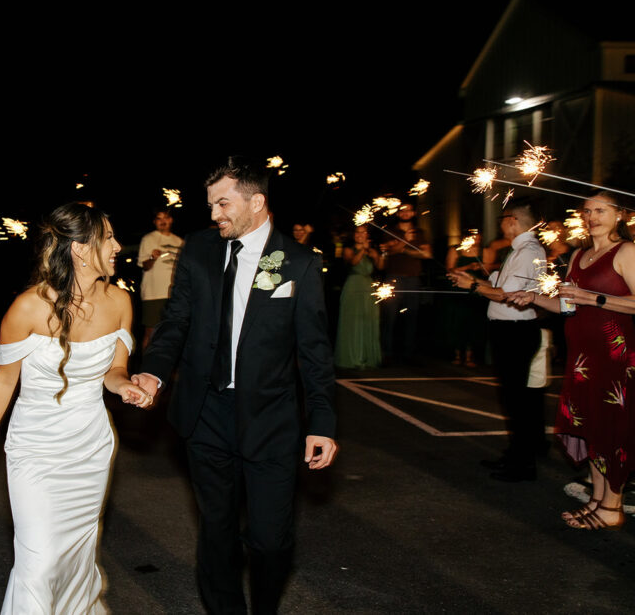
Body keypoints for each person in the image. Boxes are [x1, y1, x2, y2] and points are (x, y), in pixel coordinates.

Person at [133, 159, 338, 614]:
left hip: (271, 420)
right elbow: (176, 320)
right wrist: (155, 371)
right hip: (206, 414)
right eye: (211, 205)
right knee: (217, 531)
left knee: (270, 540)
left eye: (223, 204)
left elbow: (315, 352)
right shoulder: (198, 248)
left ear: (256, 202)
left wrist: (322, 422)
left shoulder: (300, 263)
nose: (214, 214)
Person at [0, 202, 151, 613]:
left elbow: (114, 370)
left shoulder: (121, 301)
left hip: (90, 446)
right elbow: (5, 380)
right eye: (108, 238)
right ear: (81, 249)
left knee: (77, 553)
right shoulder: (28, 307)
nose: (118, 246)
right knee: (39, 562)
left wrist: (126, 386)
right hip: (36, 447)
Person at [504, 192, 635, 529]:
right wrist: (534, 297)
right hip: (582, 358)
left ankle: (612, 507)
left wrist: (594, 297)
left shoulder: (626, 251)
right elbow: (569, 305)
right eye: (587, 211)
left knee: (611, 428)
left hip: (614, 356)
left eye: (601, 210)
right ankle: (597, 500)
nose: (592, 217)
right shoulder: (579, 255)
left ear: (620, 215)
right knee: (591, 427)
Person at [449, 200, 544, 482]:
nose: (500, 224)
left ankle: (523, 464)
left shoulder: (528, 251)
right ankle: (516, 454)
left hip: (516, 330)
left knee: (517, 400)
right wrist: (473, 279)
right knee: (512, 398)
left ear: (513, 220)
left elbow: (506, 294)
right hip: (510, 330)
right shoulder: (519, 250)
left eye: (503, 218)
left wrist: (473, 286)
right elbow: (500, 285)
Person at [379, 202, 432, 363]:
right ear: (398, 213)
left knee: (412, 317)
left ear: (413, 213)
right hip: (393, 277)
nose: (405, 213)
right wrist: (404, 240)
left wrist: (402, 249)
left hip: (413, 278)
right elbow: (387, 251)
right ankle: (387, 353)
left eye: (409, 210)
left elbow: (427, 255)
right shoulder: (390, 231)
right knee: (390, 317)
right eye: (402, 210)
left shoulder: (420, 232)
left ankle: (409, 354)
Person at [334, 224, 383, 369]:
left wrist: (379, 255)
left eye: (363, 232)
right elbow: (353, 262)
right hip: (353, 287)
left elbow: (381, 267)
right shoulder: (349, 249)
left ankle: (368, 357)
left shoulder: (372, 251)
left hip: (368, 287)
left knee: (368, 319)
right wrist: (362, 249)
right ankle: (353, 357)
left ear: (367, 235)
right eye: (357, 232)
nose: (359, 235)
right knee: (353, 320)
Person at [137, 208, 183, 347]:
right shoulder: (148, 239)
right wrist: (152, 258)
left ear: (171, 220)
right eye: (159, 218)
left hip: (174, 294)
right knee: (151, 333)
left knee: (173, 333)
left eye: (166, 218)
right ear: (154, 222)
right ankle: (146, 361)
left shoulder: (180, 241)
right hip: (154, 294)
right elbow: (144, 266)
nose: (163, 221)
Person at [445, 229, 487, 367]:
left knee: (473, 322)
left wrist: (482, 267)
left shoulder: (483, 251)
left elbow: (489, 270)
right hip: (458, 289)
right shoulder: (456, 250)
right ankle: (457, 354)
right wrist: (468, 267)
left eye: (478, 238)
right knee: (458, 321)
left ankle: (470, 356)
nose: (476, 241)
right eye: (474, 238)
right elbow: (449, 269)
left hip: (476, 290)